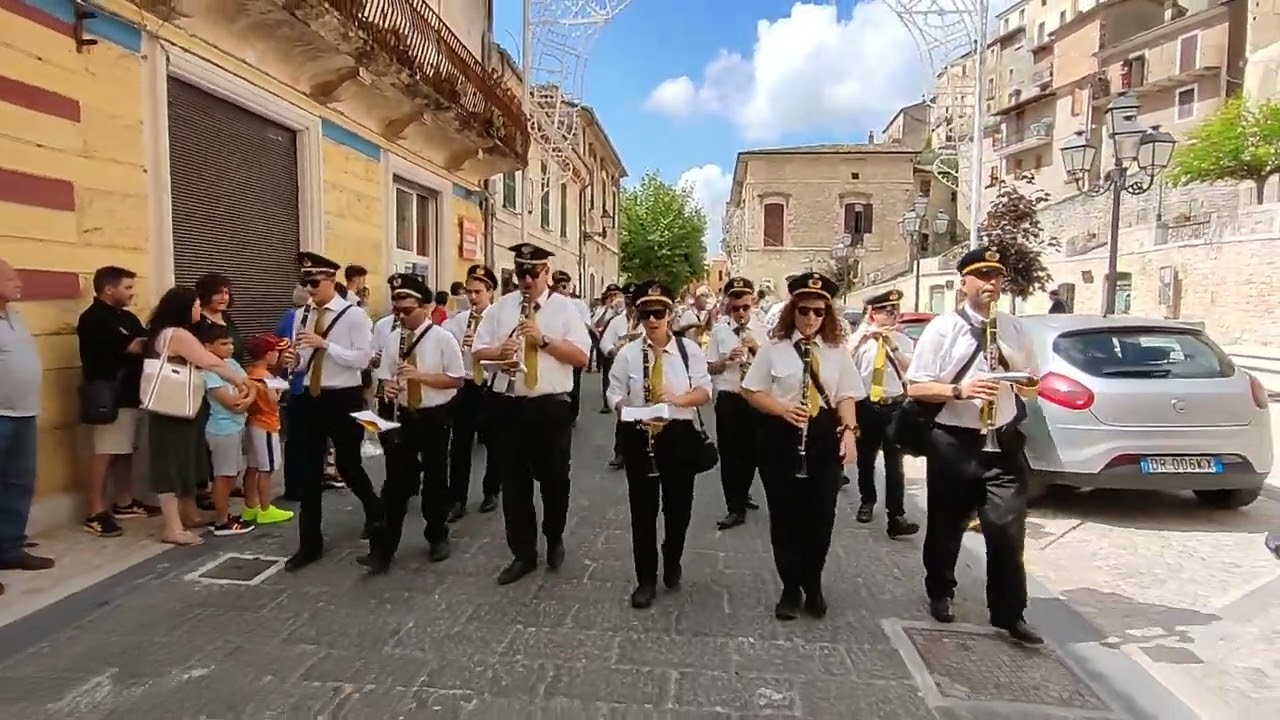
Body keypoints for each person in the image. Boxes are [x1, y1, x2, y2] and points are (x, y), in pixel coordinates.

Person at [905, 246, 1044, 645]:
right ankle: (941, 591)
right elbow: (915, 386)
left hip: (1002, 440)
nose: (991, 284)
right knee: (947, 524)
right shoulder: (943, 328)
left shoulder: (1015, 329)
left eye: (997, 277)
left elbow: (1033, 385)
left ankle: (1009, 613)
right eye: (982, 276)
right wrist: (959, 390)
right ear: (962, 282)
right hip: (955, 438)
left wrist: (1022, 381)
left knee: (1006, 529)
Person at [742, 271, 864, 620]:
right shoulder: (774, 349)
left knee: (821, 516)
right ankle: (790, 587)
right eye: (804, 310)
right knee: (785, 517)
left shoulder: (837, 352)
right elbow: (752, 392)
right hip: (781, 436)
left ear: (828, 315)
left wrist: (850, 434)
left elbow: (846, 396)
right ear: (792, 310)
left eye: (819, 312)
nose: (811, 318)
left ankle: (814, 583)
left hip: (823, 435)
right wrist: (781, 409)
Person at [472, 243, 591, 585]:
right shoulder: (500, 309)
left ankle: (554, 537)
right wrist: (500, 351)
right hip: (508, 405)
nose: (525, 280)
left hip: (549, 406)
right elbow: (479, 351)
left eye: (532, 274)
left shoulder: (565, 309)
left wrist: (544, 340)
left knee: (554, 480)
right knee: (513, 483)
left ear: (546, 274)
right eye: (520, 273)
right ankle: (523, 553)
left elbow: (582, 357)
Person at [607, 280, 712, 609]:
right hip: (640, 435)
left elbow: (705, 391)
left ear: (670, 315)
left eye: (659, 313)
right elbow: (613, 393)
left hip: (678, 434)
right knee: (642, 511)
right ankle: (646, 579)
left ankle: (673, 557)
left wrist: (677, 398)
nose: (653, 320)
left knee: (679, 509)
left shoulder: (688, 351)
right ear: (638, 316)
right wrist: (626, 408)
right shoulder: (627, 354)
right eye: (646, 314)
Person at [284, 251, 381, 572]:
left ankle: (374, 509)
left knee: (348, 463)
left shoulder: (353, 315)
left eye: (314, 282)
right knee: (309, 472)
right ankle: (309, 543)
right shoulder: (302, 315)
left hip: (344, 398)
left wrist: (326, 345)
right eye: (304, 282)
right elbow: (301, 360)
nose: (309, 288)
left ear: (331, 281)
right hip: (310, 398)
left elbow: (362, 359)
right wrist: (291, 361)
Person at [361, 274, 464, 574]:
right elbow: (383, 379)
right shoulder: (394, 339)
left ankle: (437, 535)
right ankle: (383, 549)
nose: (402, 316)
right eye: (397, 311)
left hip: (434, 415)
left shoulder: (443, 339)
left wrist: (421, 377)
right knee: (395, 485)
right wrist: (387, 390)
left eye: (408, 310)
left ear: (426, 307)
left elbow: (456, 379)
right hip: (403, 417)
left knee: (434, 480)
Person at [143, 286, 248, 546]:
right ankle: (172, 526)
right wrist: (240, 380)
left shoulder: (171, 332)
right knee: (170, 466)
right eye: (196, 305)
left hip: (183, 408)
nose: (200, 311)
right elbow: (209, 361)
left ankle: (188, 514)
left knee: (187, 461)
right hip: (172, 409)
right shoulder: (176, 334)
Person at [76, 265, 158, 538]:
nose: (132, 293)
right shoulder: (94, 319)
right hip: (108, 398)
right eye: (127, 288)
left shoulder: (126, 317)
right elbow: (136, 346)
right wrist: (165, 332)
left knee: (125, 451)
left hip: (130, 395)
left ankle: (124, 501)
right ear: (108, 289)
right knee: (105, 453)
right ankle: (95, 511)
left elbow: (143, 341)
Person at [849, 289, 920, 538]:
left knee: (894, 463)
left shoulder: (903, 340)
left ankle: (896, 515)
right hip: (867, 405)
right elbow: (844, 364)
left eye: (895, 312)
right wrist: (862, 337)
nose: (892, 316)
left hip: (895, 406)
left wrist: (893, 347)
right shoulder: (859, 340)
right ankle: (867, 501)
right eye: (887, 312)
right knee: (866, 458)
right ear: (873, 313)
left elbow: (912, 371)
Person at [0, 259, 55, 580]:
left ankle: (9, 548)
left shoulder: (16, 317)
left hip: (24, 413)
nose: (19, 283)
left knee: (19, 482)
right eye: (10, 278)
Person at [705, 277, 766, 531]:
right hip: (729, 398)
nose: (740, 313)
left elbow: (775, 369)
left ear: (752, 304)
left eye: (745, 307)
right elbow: (708, 368)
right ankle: (734, 507)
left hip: (754, 399)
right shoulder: (719, 332)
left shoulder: (764, 330)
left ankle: (743, 492)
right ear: (728, 306)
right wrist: (727, 360)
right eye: (735, 308)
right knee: (730, 455)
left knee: (753, 453)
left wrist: (757, 350)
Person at [442, 264, 500, 520]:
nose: (472, 298)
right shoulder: (457, 322)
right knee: (460, 445)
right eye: (469, 292)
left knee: (494, 443)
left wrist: (481, 345)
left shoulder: (499, 320)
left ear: (490, 292)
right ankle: (457, 498)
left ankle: (491, 490)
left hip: (490, 386)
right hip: (465, 386)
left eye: (478, 292)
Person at [197, 322, 256, 536]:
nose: (230, 347)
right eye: (223, 343)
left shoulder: (231, 363)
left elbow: (250, 386)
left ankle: (225, 515)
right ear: (208, 346)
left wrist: (246, 399)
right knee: (224, 475)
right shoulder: (209, 370)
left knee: (232, 472)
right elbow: (229, 401)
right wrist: (243, 399)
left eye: (231, 342)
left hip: (237, 424)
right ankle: (221, 520)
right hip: (222, 428)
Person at [241, 334, 294, 526]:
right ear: (269, 354)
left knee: (253, 467)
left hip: (253, 423)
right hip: (267, 424)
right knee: (267, 469)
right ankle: (265, 508)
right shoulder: (265, 377)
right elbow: (273, 401)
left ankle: (250, 506)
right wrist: (279, 392)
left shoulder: (249, 372)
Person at [599, 282, 640, 470]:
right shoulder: (617, 321)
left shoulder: (650, 321)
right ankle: (621, 452)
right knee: (623, 412)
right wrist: (612, 349)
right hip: (622, 370)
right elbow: (604, 343)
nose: (632, 308)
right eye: (629, 303)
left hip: (642, 372)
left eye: (634, 303)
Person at [553, 270, 593, 422]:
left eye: (564, 286)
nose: (561, 290)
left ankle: (572, 413)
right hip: (556, 348)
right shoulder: (550, 304)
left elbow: (587, 326)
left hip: (573, 347)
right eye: (557, 286)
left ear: (570, 287)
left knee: (574, 383)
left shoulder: (578, 305)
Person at [591, 284, 625, 402]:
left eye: (616, 294)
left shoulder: (627, 309)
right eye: (610, 295)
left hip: (623, 347)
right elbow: (597, 325)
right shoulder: (603, 309)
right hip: (608, 345)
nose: (613, 298)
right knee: (607, 373)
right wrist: (607, 311)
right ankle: (607, 401)